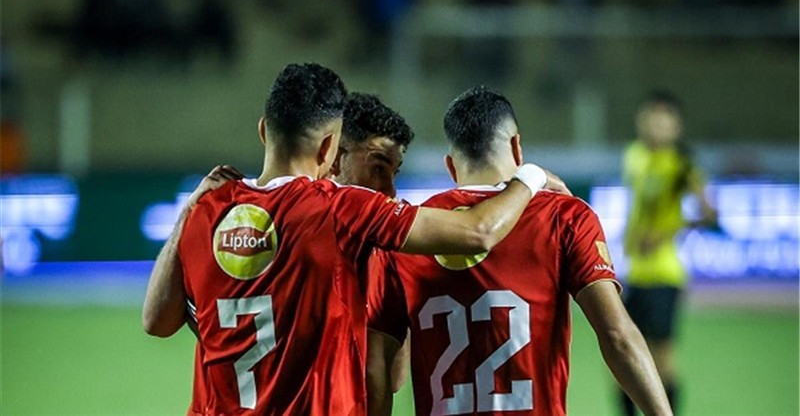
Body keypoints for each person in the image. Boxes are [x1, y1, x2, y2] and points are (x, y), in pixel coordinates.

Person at [142, 63, 568, 416]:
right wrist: (529, 177)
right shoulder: (341, 211)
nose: (388, 189)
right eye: (378, 167)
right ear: (331, 149)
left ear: (263, 130)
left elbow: (156, 321)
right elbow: (477, 231)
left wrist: (189, 211)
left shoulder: (209, 210)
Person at [366, 86, 672, 416]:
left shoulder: (411, 228)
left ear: (451, 167)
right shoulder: (564, 215)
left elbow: (383, 370)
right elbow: (617, 336)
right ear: (516, 147)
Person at [618, 91, 716, 416]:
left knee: (662, 358)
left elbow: (709, 212)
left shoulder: (681, 165)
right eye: (650, 119)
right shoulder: (633, 155)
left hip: (664, 273)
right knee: (622, 355)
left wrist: (666, 232)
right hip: (633, 271)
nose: (655, 126)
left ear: (676, 127)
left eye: (664, 121)